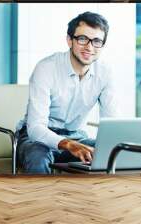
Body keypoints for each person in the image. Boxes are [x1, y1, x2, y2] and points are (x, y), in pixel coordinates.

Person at [16, 11, 119, 174]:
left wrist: (111, 144)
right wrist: (68, 144)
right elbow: (35, 128)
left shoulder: (105, 73)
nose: (90, 47)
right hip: (36, 139)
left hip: (77, 136)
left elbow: (112, 124)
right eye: (83, 39)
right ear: (69, 40)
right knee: (38, 158)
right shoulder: (46, 68)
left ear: (103, 45)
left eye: (97, 41)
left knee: (115, 154)